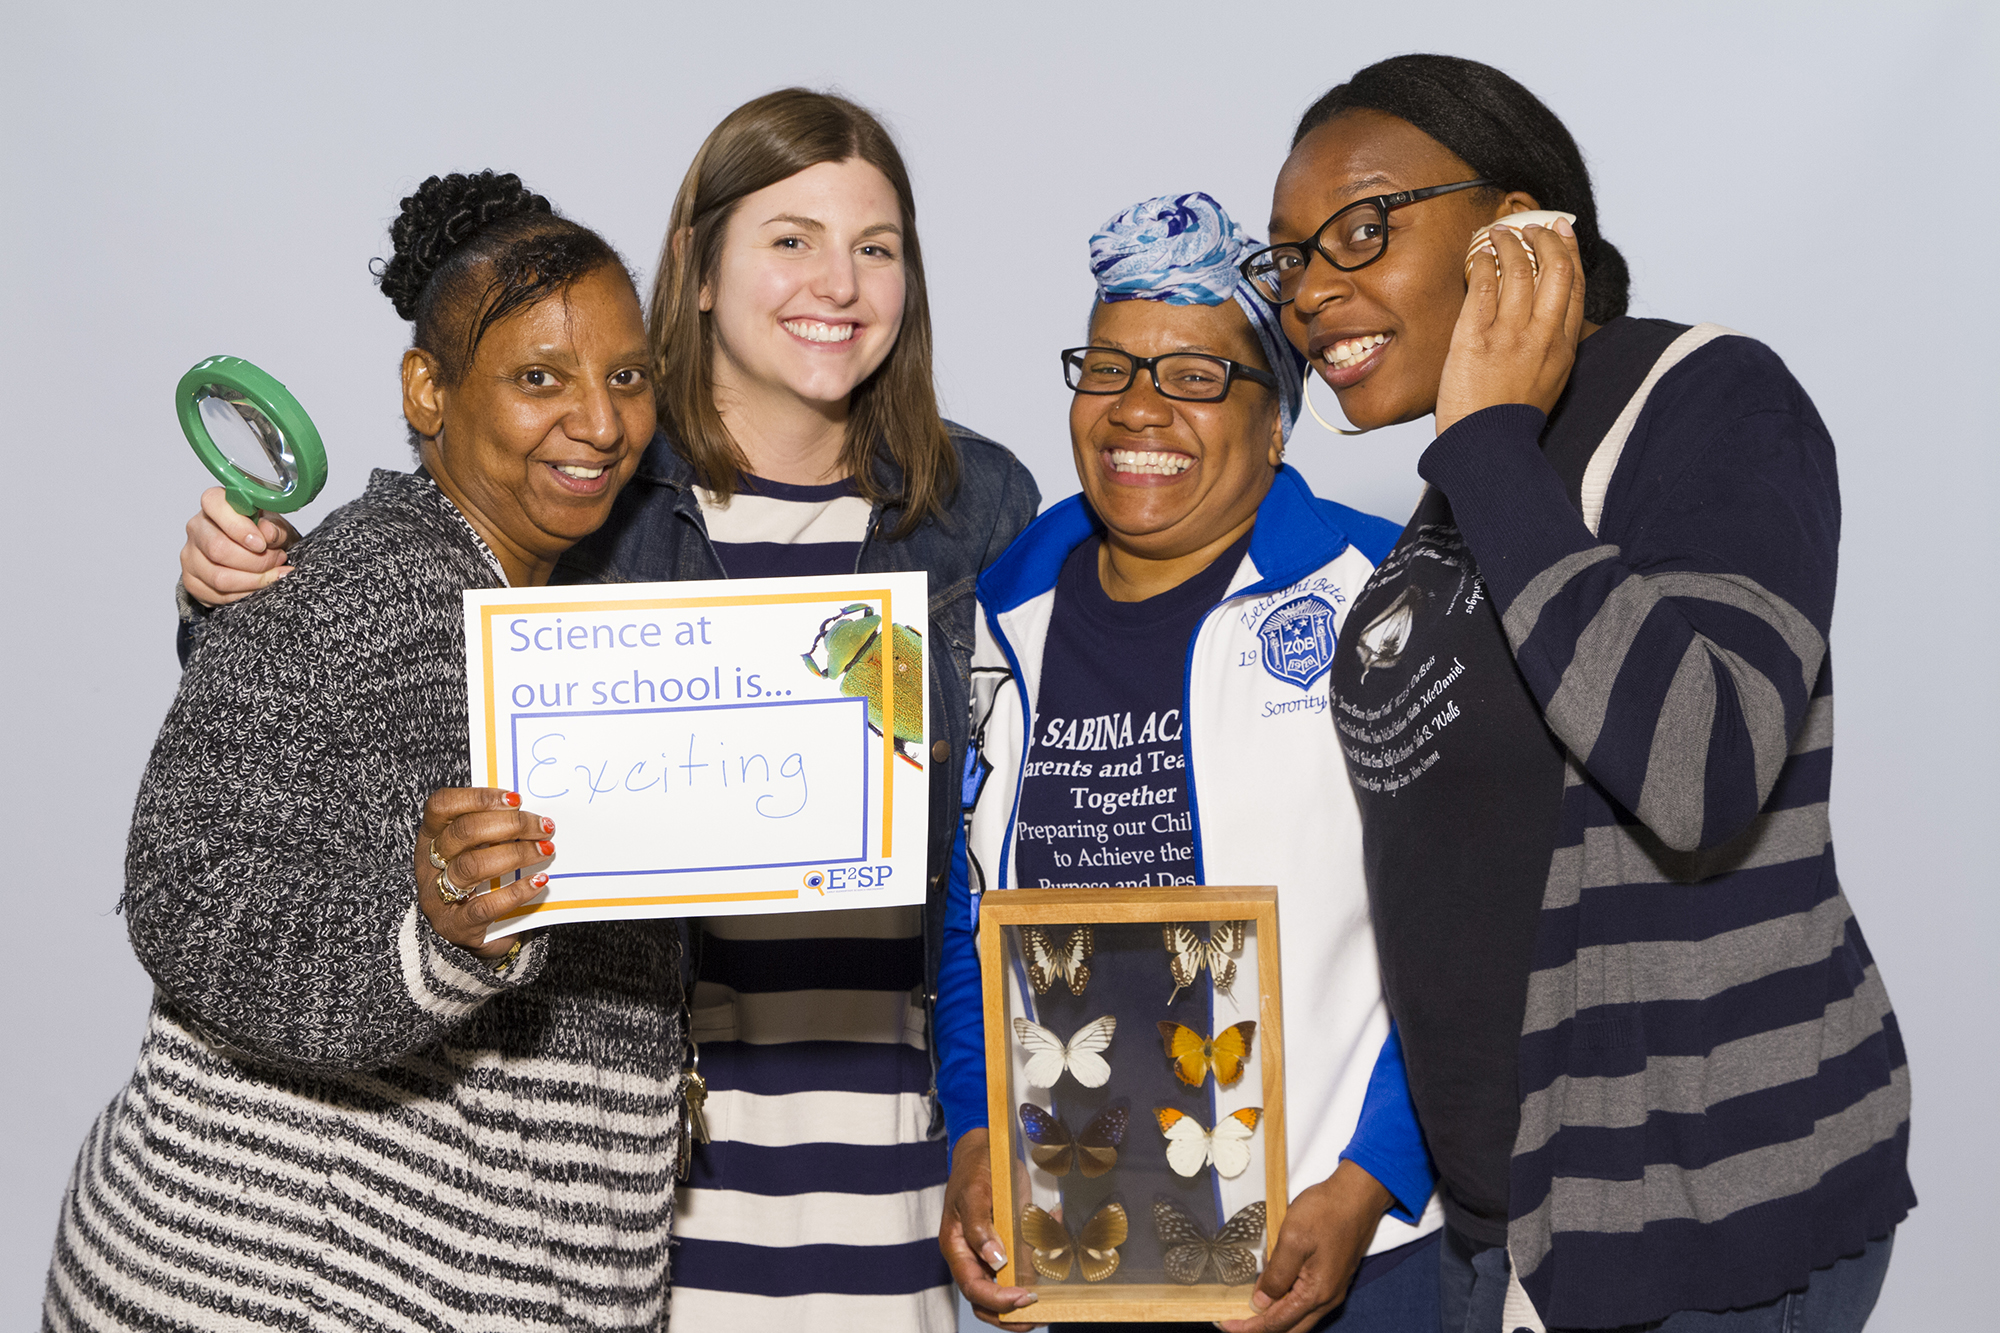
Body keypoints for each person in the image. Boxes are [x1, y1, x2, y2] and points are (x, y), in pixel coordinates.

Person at [175, 90, 1040, 1331]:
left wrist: (996, 1126)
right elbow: (375, 711)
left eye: (876, 245)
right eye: (789, 238)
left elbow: (1011, 836)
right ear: (695, 268)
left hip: (888, 1140)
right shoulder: (587, 488)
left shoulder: (979, 504)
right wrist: (231, 596)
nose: (837, 283)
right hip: (601, 1159)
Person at [1242, 54, 1913, 1331]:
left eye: (1360, 229)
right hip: (1502, 1226)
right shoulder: (1449, 502)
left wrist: (1489, 443)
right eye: (1287, 258)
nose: (1312, 291)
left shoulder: (1701, 397)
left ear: (1517, 229)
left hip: (1698, 1222)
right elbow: (1448, 876)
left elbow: (1701, 768)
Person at [45, 172, 686, 1330]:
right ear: (428, 390)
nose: (598, 421)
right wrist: (427, 940)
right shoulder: (357, 587)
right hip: (252, 1285)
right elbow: (187, 886)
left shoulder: (585, 627)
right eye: (539, 377)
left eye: (626, 376)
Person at [933, 192, 1442, 1333]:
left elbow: (1471, 926)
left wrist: (1372, 1182)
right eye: (1106, 368)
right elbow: (969, 922)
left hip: (1343, 1256)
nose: (1138, 409)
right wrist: (974, 1129)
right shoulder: (999, 616)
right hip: (1081, 1260)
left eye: (1195, 376)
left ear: (1275, 422)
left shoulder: (1387, 602)